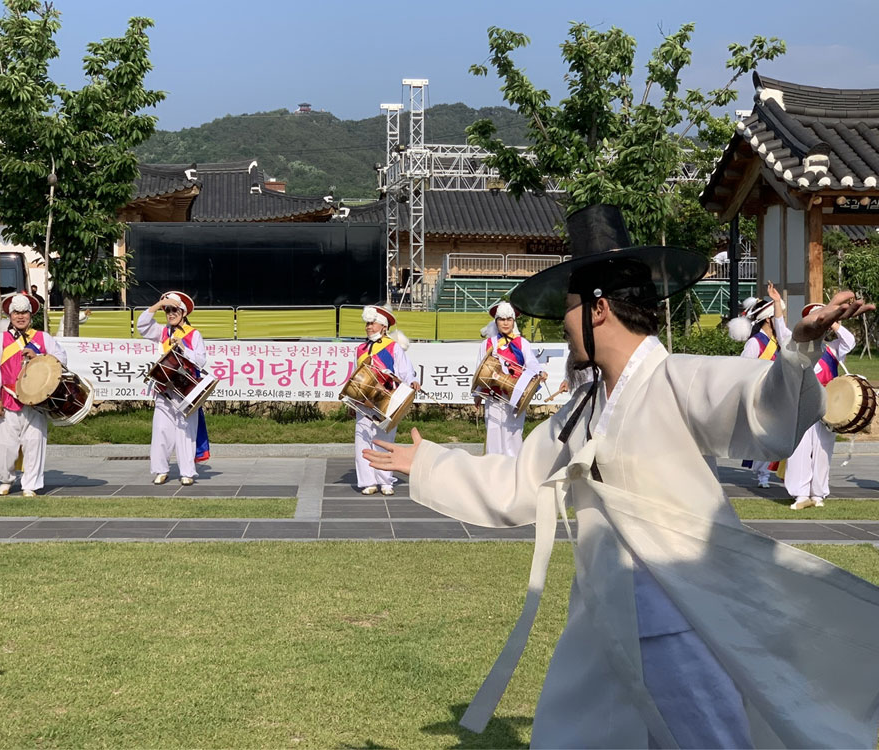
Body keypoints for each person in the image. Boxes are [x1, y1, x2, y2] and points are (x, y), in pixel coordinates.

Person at [363, 204, 879, 748]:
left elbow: (761, 406)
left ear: (598, 309)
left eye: (568, 309)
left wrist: (798, 352)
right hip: (604, 617)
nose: (562, 325)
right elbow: (518, 482)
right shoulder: (584, 408)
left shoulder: (677, 379)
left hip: (677, 617)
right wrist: (428, 463)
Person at [0, 291, 67, 497]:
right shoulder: (1, 339)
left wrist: (39, 355)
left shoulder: (43, 338)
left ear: (31, 315)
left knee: (35, 444)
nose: (20, 316)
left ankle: (30, 484)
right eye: (16, 313)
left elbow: (61, 360)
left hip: (37, 401)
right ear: (10, 315)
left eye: (24, 312)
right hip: (8, 398)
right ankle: (5, 480)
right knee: (6, 446)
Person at [786, 303, 857, 510]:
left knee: (823, 449)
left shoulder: (832, 349)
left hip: (827, 407)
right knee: (799, 449)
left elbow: (850, 341)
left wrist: (834, 323)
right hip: (802, 405)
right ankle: (800, 494)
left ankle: (818, 493)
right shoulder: (797, 348)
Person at [137, 292, 208, 486]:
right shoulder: (162, 332)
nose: (170, 313)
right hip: (164, 388)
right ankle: (161, 470)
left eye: (174, 309)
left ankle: (187, 472)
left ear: (183, 312)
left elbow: (201, 360)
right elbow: (142, 326)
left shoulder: (194, 334)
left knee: (186, 432)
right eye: (167, 310)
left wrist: (184, 348)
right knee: (161, 430)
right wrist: (158, 303)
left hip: (186, 389)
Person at [353, 305, 419, 495]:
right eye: (367, 324)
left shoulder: (393, 346)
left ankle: (385, 481)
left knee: (384, 440)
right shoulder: (360, 349)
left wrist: (413, 381)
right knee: (363, 440)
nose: (368, 327)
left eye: (372, 323)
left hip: (387, 400)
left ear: (383, 326)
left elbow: (405, 370)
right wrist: (352, 398)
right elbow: (354, 376)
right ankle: (368, 481)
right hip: (364, 402)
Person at [729, 282, 789, 488]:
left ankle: (771, 473)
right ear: (769, 320)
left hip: (777, 394)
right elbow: (743, 369)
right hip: (760, 395)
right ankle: (763, 475)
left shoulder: (779, 341)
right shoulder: (755, 343)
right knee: (767, 436)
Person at [474, 301, 543, 457]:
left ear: (513, 321)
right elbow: (480, 369)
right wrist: (478, 394)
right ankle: (493, 467)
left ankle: (513, 468)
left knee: (513, 432)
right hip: (494, 395)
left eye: (508, 319)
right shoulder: (488, 344)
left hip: (515, 394)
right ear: (496, 321)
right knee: (493, 430)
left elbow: (531, 361)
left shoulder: (522, 343)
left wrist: (539, 371)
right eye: (501, 319)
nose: (505, 323)